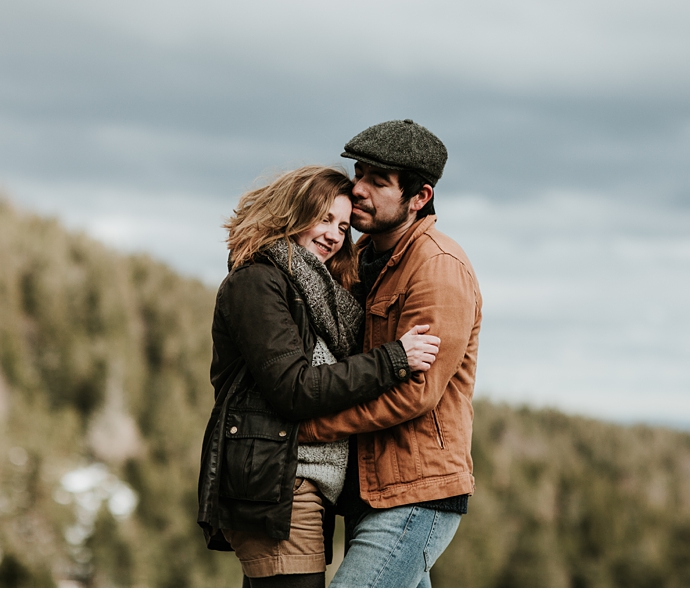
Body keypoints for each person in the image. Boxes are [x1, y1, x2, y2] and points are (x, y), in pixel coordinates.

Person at [197, 165, 442, 588]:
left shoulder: (320, 292)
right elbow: (295, 388)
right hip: (279, 481)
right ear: (292, 212)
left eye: (344, 226)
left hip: (299, 483)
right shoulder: (257, 282)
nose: (334, 234)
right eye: (324, 218)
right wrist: (393, 359)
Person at [297, 120, 482, 588]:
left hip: (416, 494)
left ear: (419, 198)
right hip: (367, 489)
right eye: (358, 173)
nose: (357, 189)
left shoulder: (439, 267)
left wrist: (318, 428)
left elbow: (417, 393)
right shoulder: (358, 257)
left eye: (378, 182)